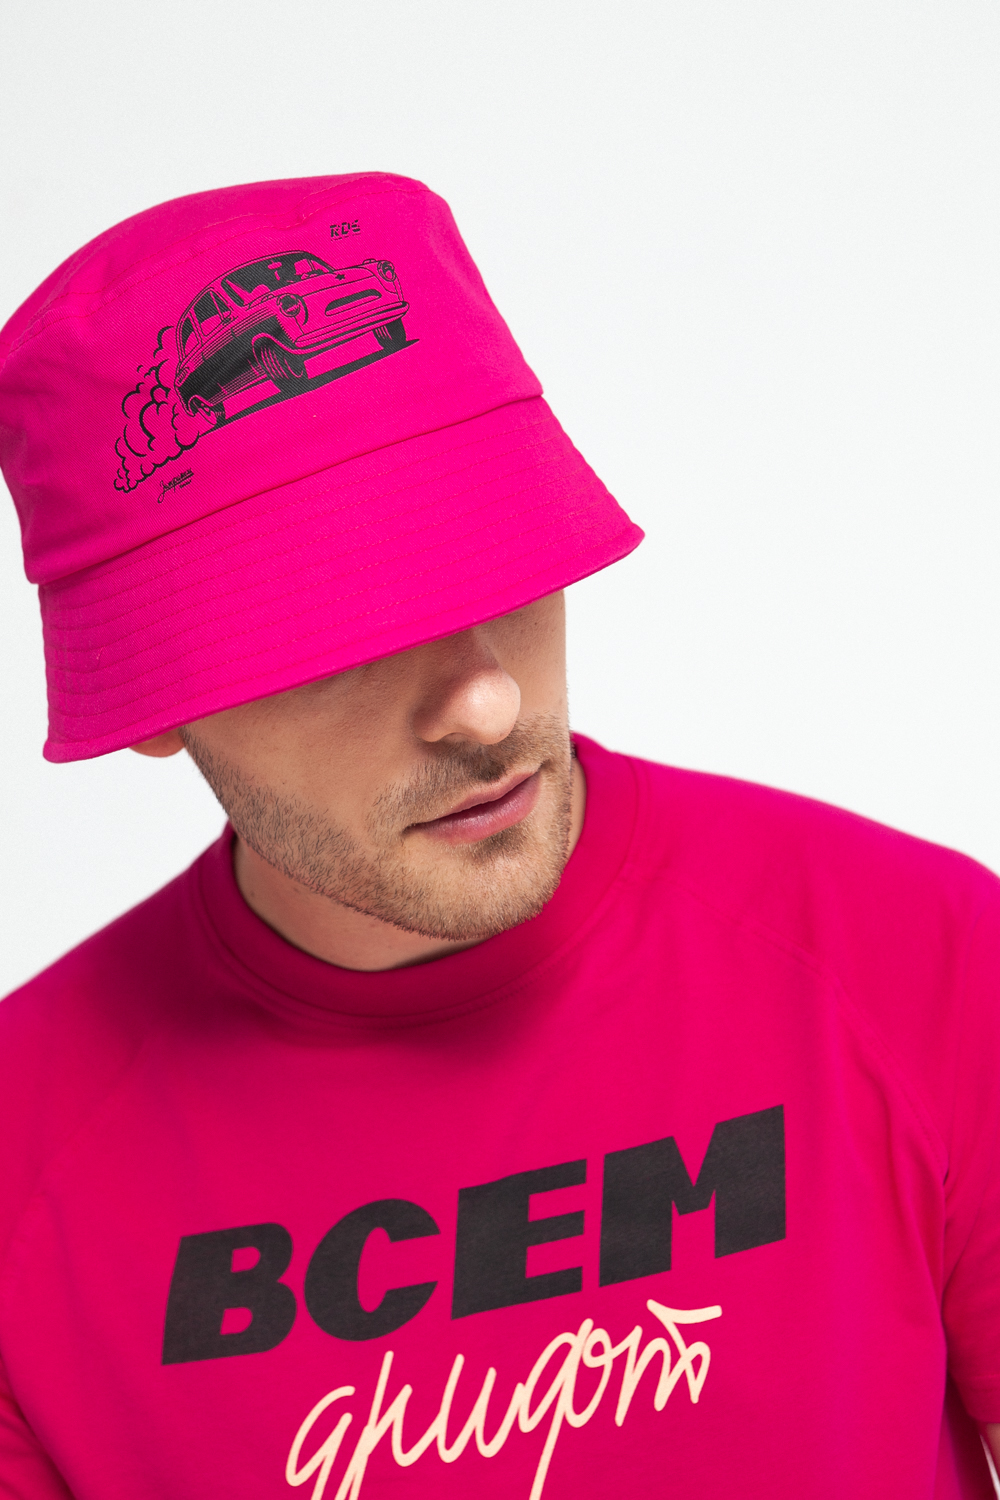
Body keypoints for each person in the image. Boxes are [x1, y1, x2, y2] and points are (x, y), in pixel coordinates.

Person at [0, 172, 998, 1500]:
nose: (486, 703)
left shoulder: (919, 962)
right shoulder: (25, 1168)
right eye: (334, 637)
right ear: (150, 702)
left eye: (502, 564)